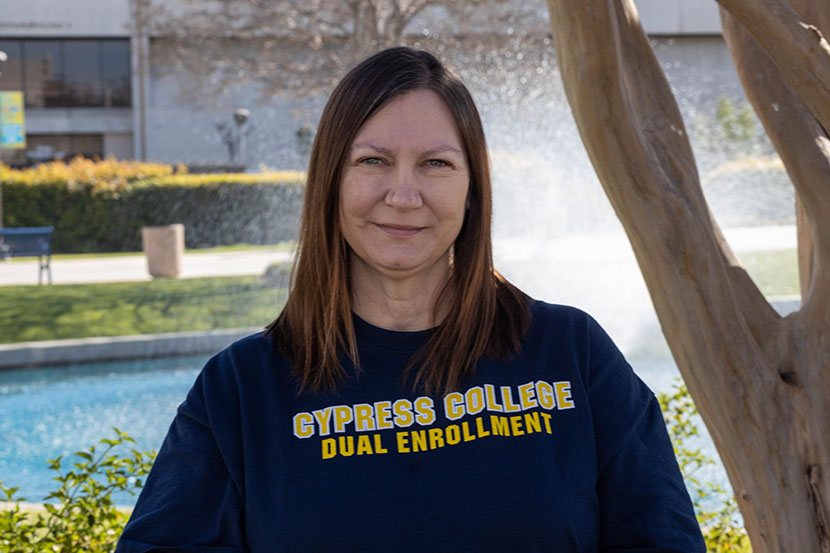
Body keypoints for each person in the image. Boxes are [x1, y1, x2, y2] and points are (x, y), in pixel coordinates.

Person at [117, 47, 705, 552]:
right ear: (331, 182)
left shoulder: (571, 355)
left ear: (473, 190)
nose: (403, 195)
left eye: (436, 164)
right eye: (373, 161)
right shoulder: (243, 389)